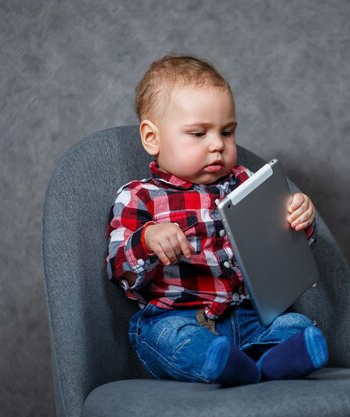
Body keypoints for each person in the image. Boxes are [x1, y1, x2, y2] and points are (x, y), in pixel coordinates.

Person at [106, 54, 328, 386]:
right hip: (179, 317)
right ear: (152, 138)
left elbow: (283, 247)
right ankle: (226, 362)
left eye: (227, 132)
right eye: (198, 133)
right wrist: (149, 240)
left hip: (248, 317)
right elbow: (118, 269)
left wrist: (300, 217)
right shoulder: (140, 196)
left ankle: (252, 365)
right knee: (166, 338)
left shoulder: (245, 183)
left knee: (296, 325)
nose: (217, 145)